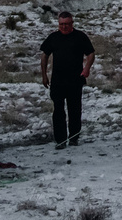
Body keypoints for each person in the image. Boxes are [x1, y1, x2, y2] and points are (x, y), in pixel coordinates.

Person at [37, 10, 94, 148]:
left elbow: (91, 53)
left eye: (67, 24)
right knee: (58, 111)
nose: (64, 27)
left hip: (75, 80)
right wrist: (44, 75)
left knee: (75, 110)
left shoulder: (80, 37)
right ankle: (60, 140)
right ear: (58, 23)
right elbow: (44, 55)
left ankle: (74, 137)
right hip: (57, 81)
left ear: (72, 23)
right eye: (62, 24)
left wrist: (86, 68)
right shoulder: (53, 37)